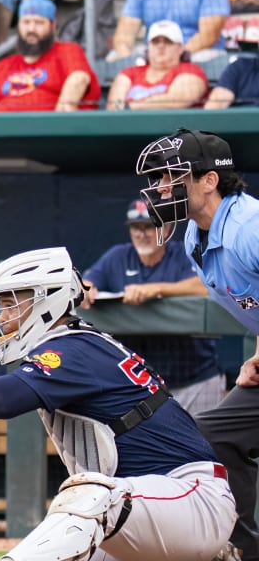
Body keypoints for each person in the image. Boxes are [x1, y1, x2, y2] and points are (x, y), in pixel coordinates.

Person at [0, 247, 240, 561]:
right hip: (147, 508)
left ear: (47, 299)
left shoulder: (73, 349)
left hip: (189, 498)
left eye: (11, 304)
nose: (4, 317)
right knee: (79, 521)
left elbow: (1, 398)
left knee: (89, 495)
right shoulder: (76, 345)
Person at [135, 129, 259, 558]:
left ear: (209, 180)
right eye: (158, 178)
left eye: (171, 177)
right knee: (212, 437)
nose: (159, 188)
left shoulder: (250, 227)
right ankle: (241, 551)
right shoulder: (193, 237)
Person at [82, 198, 221, 417]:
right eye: (136, 228)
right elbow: (88, 282)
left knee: (205, 447)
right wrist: (86, 288)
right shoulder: (118, 257)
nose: (142, 234)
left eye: (149, 226)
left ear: (165, 229)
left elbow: (207, 284)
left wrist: (157, 289)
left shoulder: (183, 252)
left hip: (193, 378)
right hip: (140, 385)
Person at [0, 0, 99, 112]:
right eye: (26, 22)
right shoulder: (2, 66)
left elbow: (78, 79)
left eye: (39, 23)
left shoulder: (67, 51)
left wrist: (60, 122)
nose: (31, 29)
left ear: (53, 26)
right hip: (1, 134)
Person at [107, 21, 210, 110]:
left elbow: (176, 101)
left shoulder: (191, 70)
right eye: (155, 42)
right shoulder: (129, 73)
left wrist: (131, 107)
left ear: (180, 48)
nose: (161, 46)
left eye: (168, 41)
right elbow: (113, 107)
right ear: (148, 47)